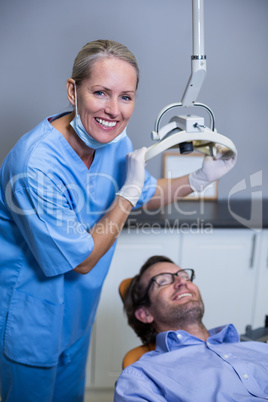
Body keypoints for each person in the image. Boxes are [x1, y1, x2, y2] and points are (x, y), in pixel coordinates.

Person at [0, 39, 236, 401]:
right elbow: (82, 258)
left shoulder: (112, 139)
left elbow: (143, 193)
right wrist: (126, 194)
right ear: (72, 90)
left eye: (126, 97)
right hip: (29, 320)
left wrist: (200, 178)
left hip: (76, 316)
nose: (113, 110)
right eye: (100, 93)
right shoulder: (35, 165)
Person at [115, 255, 268, 401]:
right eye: (163, 280)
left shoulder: (258, 348)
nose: (182, 282)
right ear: (145, 313)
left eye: (185, 276)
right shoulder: (142, 376)